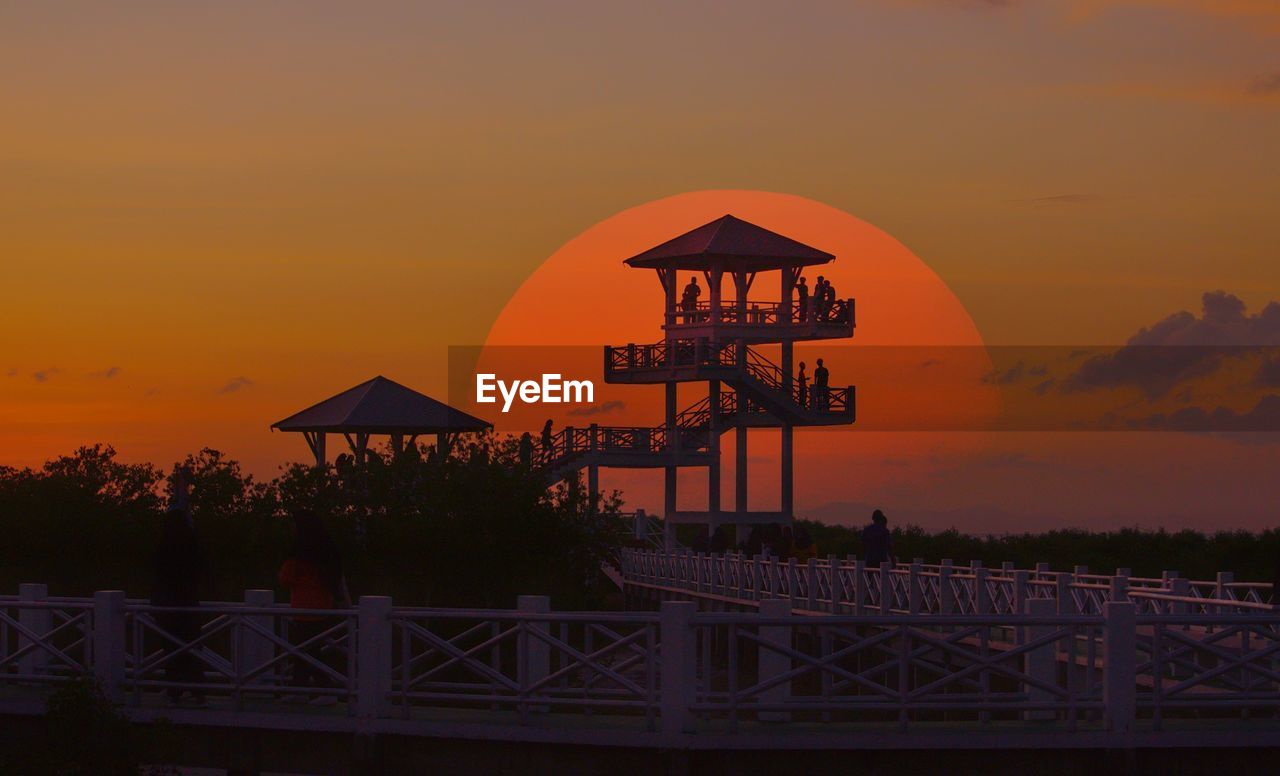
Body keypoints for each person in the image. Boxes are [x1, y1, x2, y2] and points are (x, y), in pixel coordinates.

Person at [279, 510, 349, 703]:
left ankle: (324, 691)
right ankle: (300, 689)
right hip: (322, 607)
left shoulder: (299, 552)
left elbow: (285, 578)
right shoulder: (327, 550)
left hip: (304, 608)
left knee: (306, 651)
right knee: (309, 650)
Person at [151, 504, 207, 705]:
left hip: (169, 605)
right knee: (192, 647)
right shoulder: (193, 547)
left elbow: (158, 576)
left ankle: (174, 690)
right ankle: (198, 690)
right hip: (189, 603)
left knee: (172, 647)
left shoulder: (163, 547)